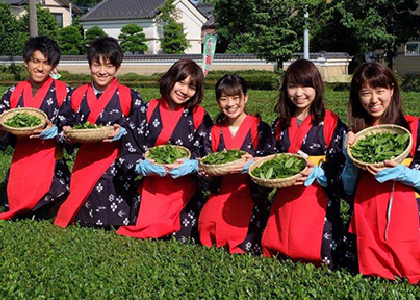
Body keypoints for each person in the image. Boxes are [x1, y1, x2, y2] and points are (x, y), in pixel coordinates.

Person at [262, 59, 348, 268]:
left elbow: (341, 166)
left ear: (317, 87)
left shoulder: (333, 123)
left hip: (318, 197)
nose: (299, 93)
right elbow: (269, 157)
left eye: (305, 86)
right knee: (280, 248)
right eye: (293, 86)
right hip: (286, 195)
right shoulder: (279, 124)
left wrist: (320, 173)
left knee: (319, 251)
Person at [116, 58, 213, 242]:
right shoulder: (147, 109)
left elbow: (207, 154)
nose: (185, 91)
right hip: (151, 185)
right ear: (170, 79)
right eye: (181, 82)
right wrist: (140, 166)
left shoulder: (200, 115)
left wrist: (193, 164)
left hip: (184, 187)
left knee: (184, 233)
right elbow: (130, 146)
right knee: (144, 227)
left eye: (192, 87)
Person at [54, 37, 145, 229]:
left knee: (114, 189)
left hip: (116, 159)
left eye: (109, 66)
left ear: (117, 67)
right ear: (89, 65)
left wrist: (123, 132)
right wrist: (67, 134)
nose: (102, 71)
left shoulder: (130, 96)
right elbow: (63, 122)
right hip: (86, 158)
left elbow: (140, 129)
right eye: (97, 65)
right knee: (84, 203)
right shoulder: (76, 94)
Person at [344, 62, 420, 284]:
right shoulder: (355, 136)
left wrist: (402, 173)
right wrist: (350, 160)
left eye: (380, 91)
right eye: (366, 93)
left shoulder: (414, 128)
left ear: (392, 91)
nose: (374, 99)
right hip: (366, 213)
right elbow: (347, 188)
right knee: (366, 270)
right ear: (358, 96)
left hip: (406, 216)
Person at [198, 74, 275, 254]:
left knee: (245, 237)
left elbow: (268, 160)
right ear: (218, 101)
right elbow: (205, 166)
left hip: (248, 192)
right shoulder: (212, 132)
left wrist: (255, 165)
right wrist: (205, 173)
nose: (230, 104)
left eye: (235, 98)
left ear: (245, 97)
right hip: (221, 192)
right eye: (224, 99)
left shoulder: (260, 129)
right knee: (207, 232)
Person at [0, 37, 71, 220]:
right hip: (22, 160)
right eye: (36, 61)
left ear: (53, 66)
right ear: (26, 62)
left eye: (46, 63)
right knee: (18, 206)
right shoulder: (13, 92)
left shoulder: (64, 91)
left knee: (53, 207)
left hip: (51, 160)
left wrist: (57, 130)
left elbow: (71, 126)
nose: (40, 68)